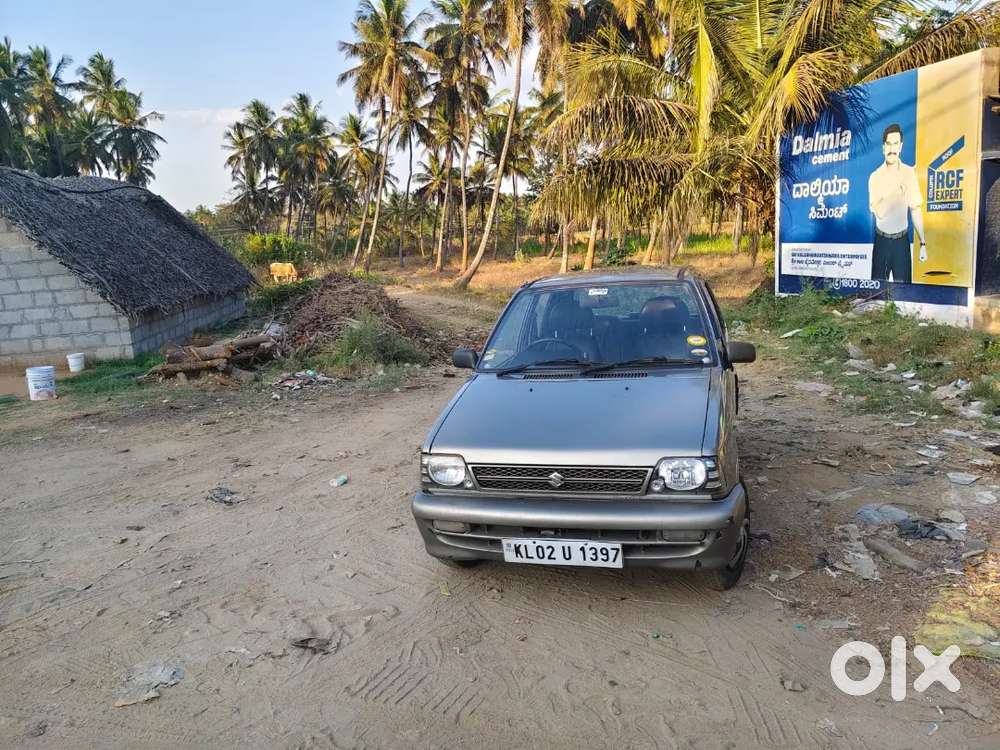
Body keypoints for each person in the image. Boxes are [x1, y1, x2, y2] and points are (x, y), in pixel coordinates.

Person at [868, 123, 926, 283]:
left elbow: (915, 209)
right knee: (877, 291)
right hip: (882, 242)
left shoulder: (909, 173)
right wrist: (898, 188)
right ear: (883, 147)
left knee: (906, 294)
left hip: (902, 243)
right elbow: (880, 211)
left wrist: (923, 243)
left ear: (900, 147)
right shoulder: (875, 177)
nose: (892, 149)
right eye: (888, 144)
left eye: (895, 144)